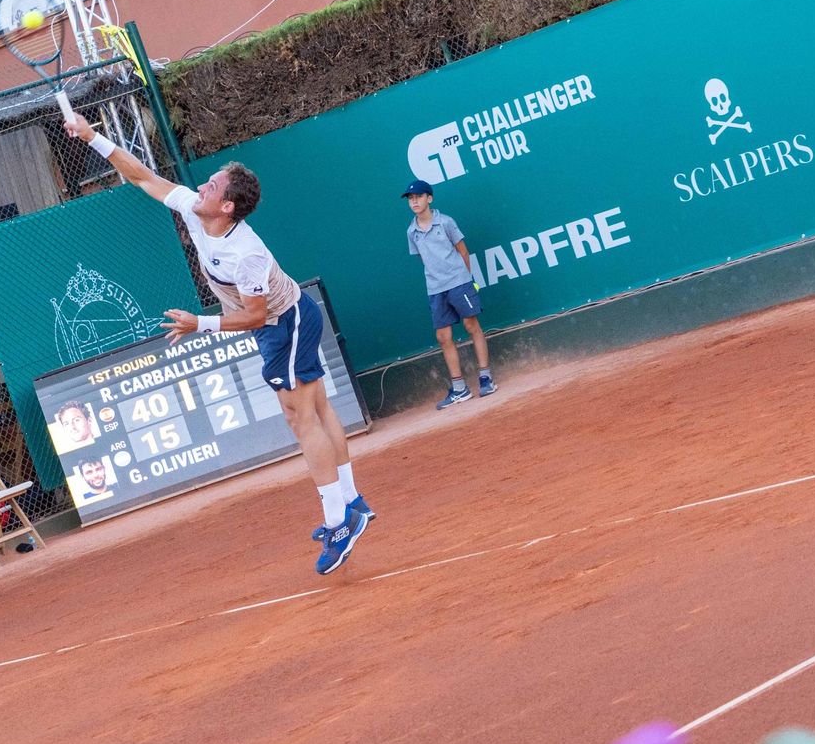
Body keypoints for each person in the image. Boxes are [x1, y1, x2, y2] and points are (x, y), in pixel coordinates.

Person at [62, 113, 375, 574]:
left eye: (212, 186)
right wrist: (92, 138)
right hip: (283, 322)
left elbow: (254, 315)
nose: (201, 188)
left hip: (283, 323)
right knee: (316, 410)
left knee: (301, 417)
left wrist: (200, 325)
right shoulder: (196, 211)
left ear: (228, 207)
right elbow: (142, 176)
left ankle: (339, 521)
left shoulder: (243, 252)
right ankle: (353, 503)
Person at [401, 178, 497, 409]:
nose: (414, 202)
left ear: (429, 198)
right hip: (436, 289)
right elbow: (424, 260)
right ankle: (459, 389)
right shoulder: (411, 232)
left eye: (418, 197)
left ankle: (486, 377)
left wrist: (466, 280)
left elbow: (463, 252)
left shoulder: (446, 223)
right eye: (411, 199)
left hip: (459, 282)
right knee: (443, 337)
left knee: (471, 326)